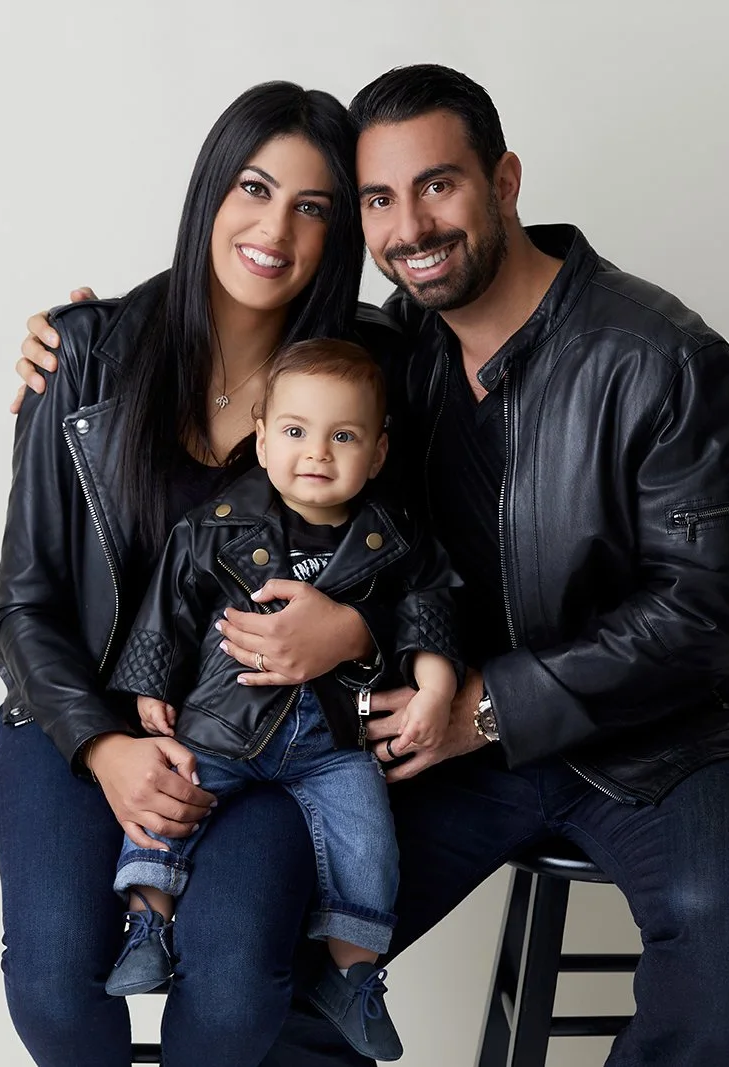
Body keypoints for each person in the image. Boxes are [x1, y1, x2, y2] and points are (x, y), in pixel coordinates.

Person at [14, 65, 729, 1067]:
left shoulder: (656, 355)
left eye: (439, 185)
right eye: (379, 198)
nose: (410, 224)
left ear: (504, 181)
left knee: (726, 939)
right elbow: (254, 361)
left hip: (656, 734)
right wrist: (86, 339)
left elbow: (707, 609)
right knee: (277, 960)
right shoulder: (392, 354)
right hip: (435, 738)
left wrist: (488, 704)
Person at [0, 80, 412, 1067]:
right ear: (210, 193)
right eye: (254, 189)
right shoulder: (84, 355)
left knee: (233, 996)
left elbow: (429, 568)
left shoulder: (376, 371)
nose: (275, 227)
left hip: (269, 739)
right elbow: (25, 604)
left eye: (313, 206)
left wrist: (356, 635)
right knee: (55, 992)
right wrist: (107, 750)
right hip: (75, 722)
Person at [104, 338, 463, 1060]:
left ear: (380, 452)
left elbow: (431, 603)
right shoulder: (214, 527)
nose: (317, 453)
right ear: (262, 438)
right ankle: (148, 923)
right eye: (296, 431)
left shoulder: (393, 539)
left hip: (333, 742)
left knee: (370, 843)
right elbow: (166, 606)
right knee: (170, 800)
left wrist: (439, 680)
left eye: (345, 436)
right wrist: (149, 687)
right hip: (224, 724)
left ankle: (354, 977)